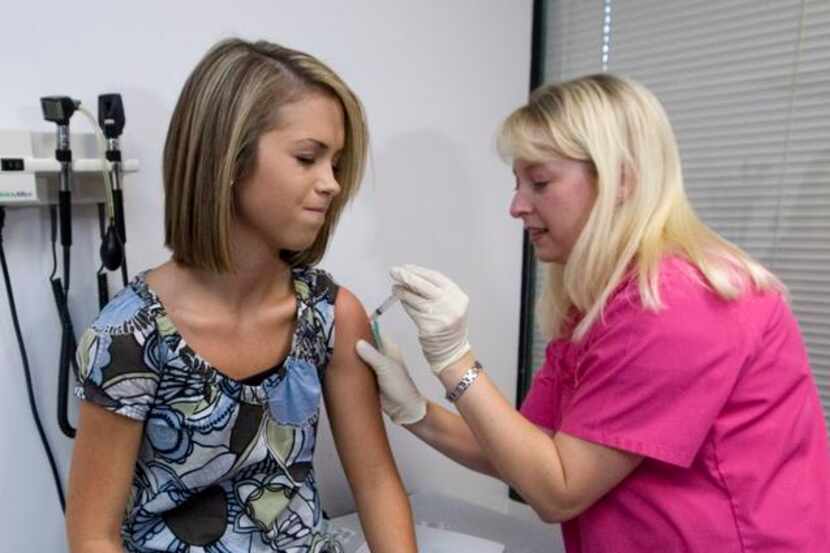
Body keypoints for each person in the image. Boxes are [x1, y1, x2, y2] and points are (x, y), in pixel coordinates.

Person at [356, 74, 830, 552]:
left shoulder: (678, 306)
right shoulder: (602, 302)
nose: (516, 207)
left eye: (539, 182)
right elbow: (532, 452)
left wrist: (454, 359)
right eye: (517, 183)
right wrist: (415, 412)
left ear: (621, 179)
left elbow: (556, 490)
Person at [66, 38, 417, 553]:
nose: (332, 185)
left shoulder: (330, 316)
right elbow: (92, 536)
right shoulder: (129, 340)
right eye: (307, 158)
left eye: (336, 163)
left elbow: (377, 485)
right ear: (228, 160)